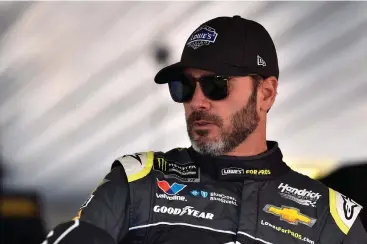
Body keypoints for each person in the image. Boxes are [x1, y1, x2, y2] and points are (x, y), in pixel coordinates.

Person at [42, 16, 367, 244]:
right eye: (183, 86)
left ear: (265, 93)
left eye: (216, 85)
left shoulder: (331, 219)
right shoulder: (140, 182)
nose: (197, 100)